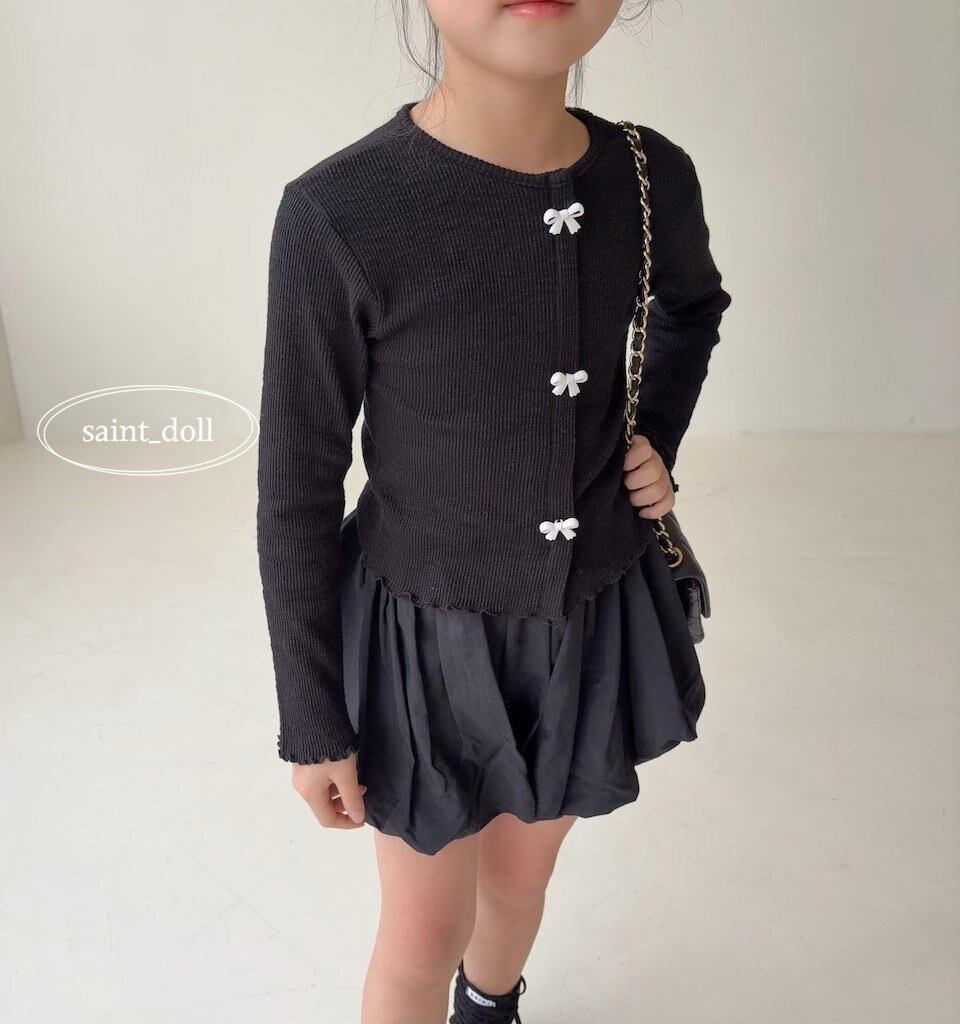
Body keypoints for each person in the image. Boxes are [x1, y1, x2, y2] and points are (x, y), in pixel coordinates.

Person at [257, 1, 731, 1020]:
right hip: (422, 641)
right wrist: (312, 714)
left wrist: (651, 436)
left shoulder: (650, 176)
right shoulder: (341, 210)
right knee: (421, 934)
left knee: (520, 882)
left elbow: (690, 312)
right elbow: (297, 482)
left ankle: (492, 1006)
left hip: (592, 615)